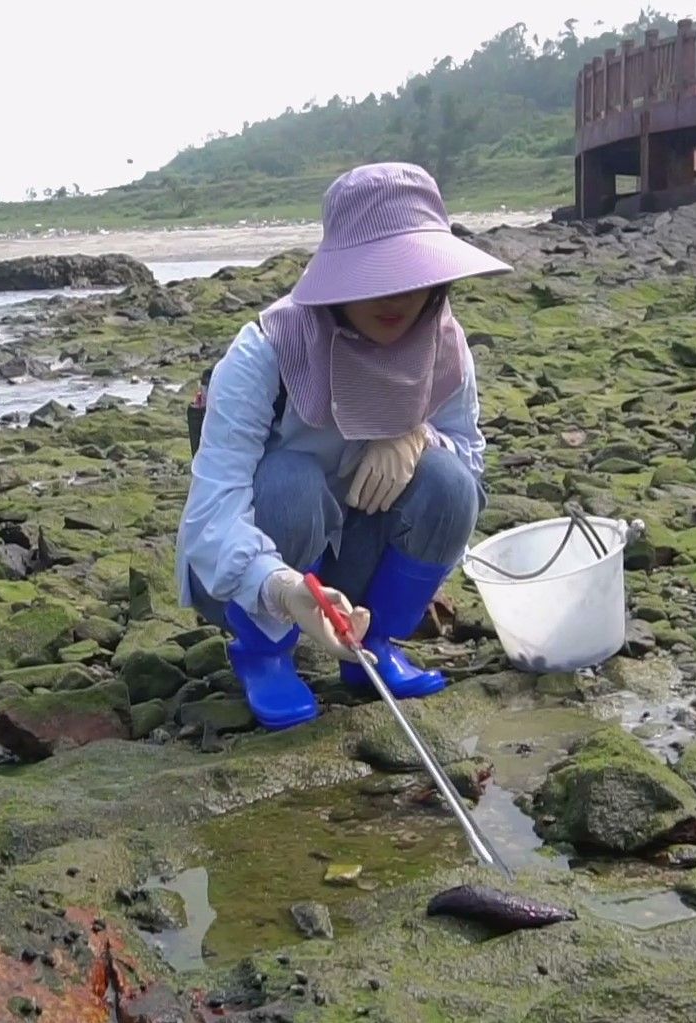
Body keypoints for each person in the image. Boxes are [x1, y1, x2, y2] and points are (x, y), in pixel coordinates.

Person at [174, 162, 512, 731]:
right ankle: (263, 653)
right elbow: (209, 520)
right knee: (292, 479)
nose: (396, 296)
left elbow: (468, 462)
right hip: (258, 570)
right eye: (374, 274)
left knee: (451, 483)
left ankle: (374, 642)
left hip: (358, 552)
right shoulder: (267, 350)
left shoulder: (445, 346)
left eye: (413, 272)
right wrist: (285, 591)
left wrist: (414, 434)